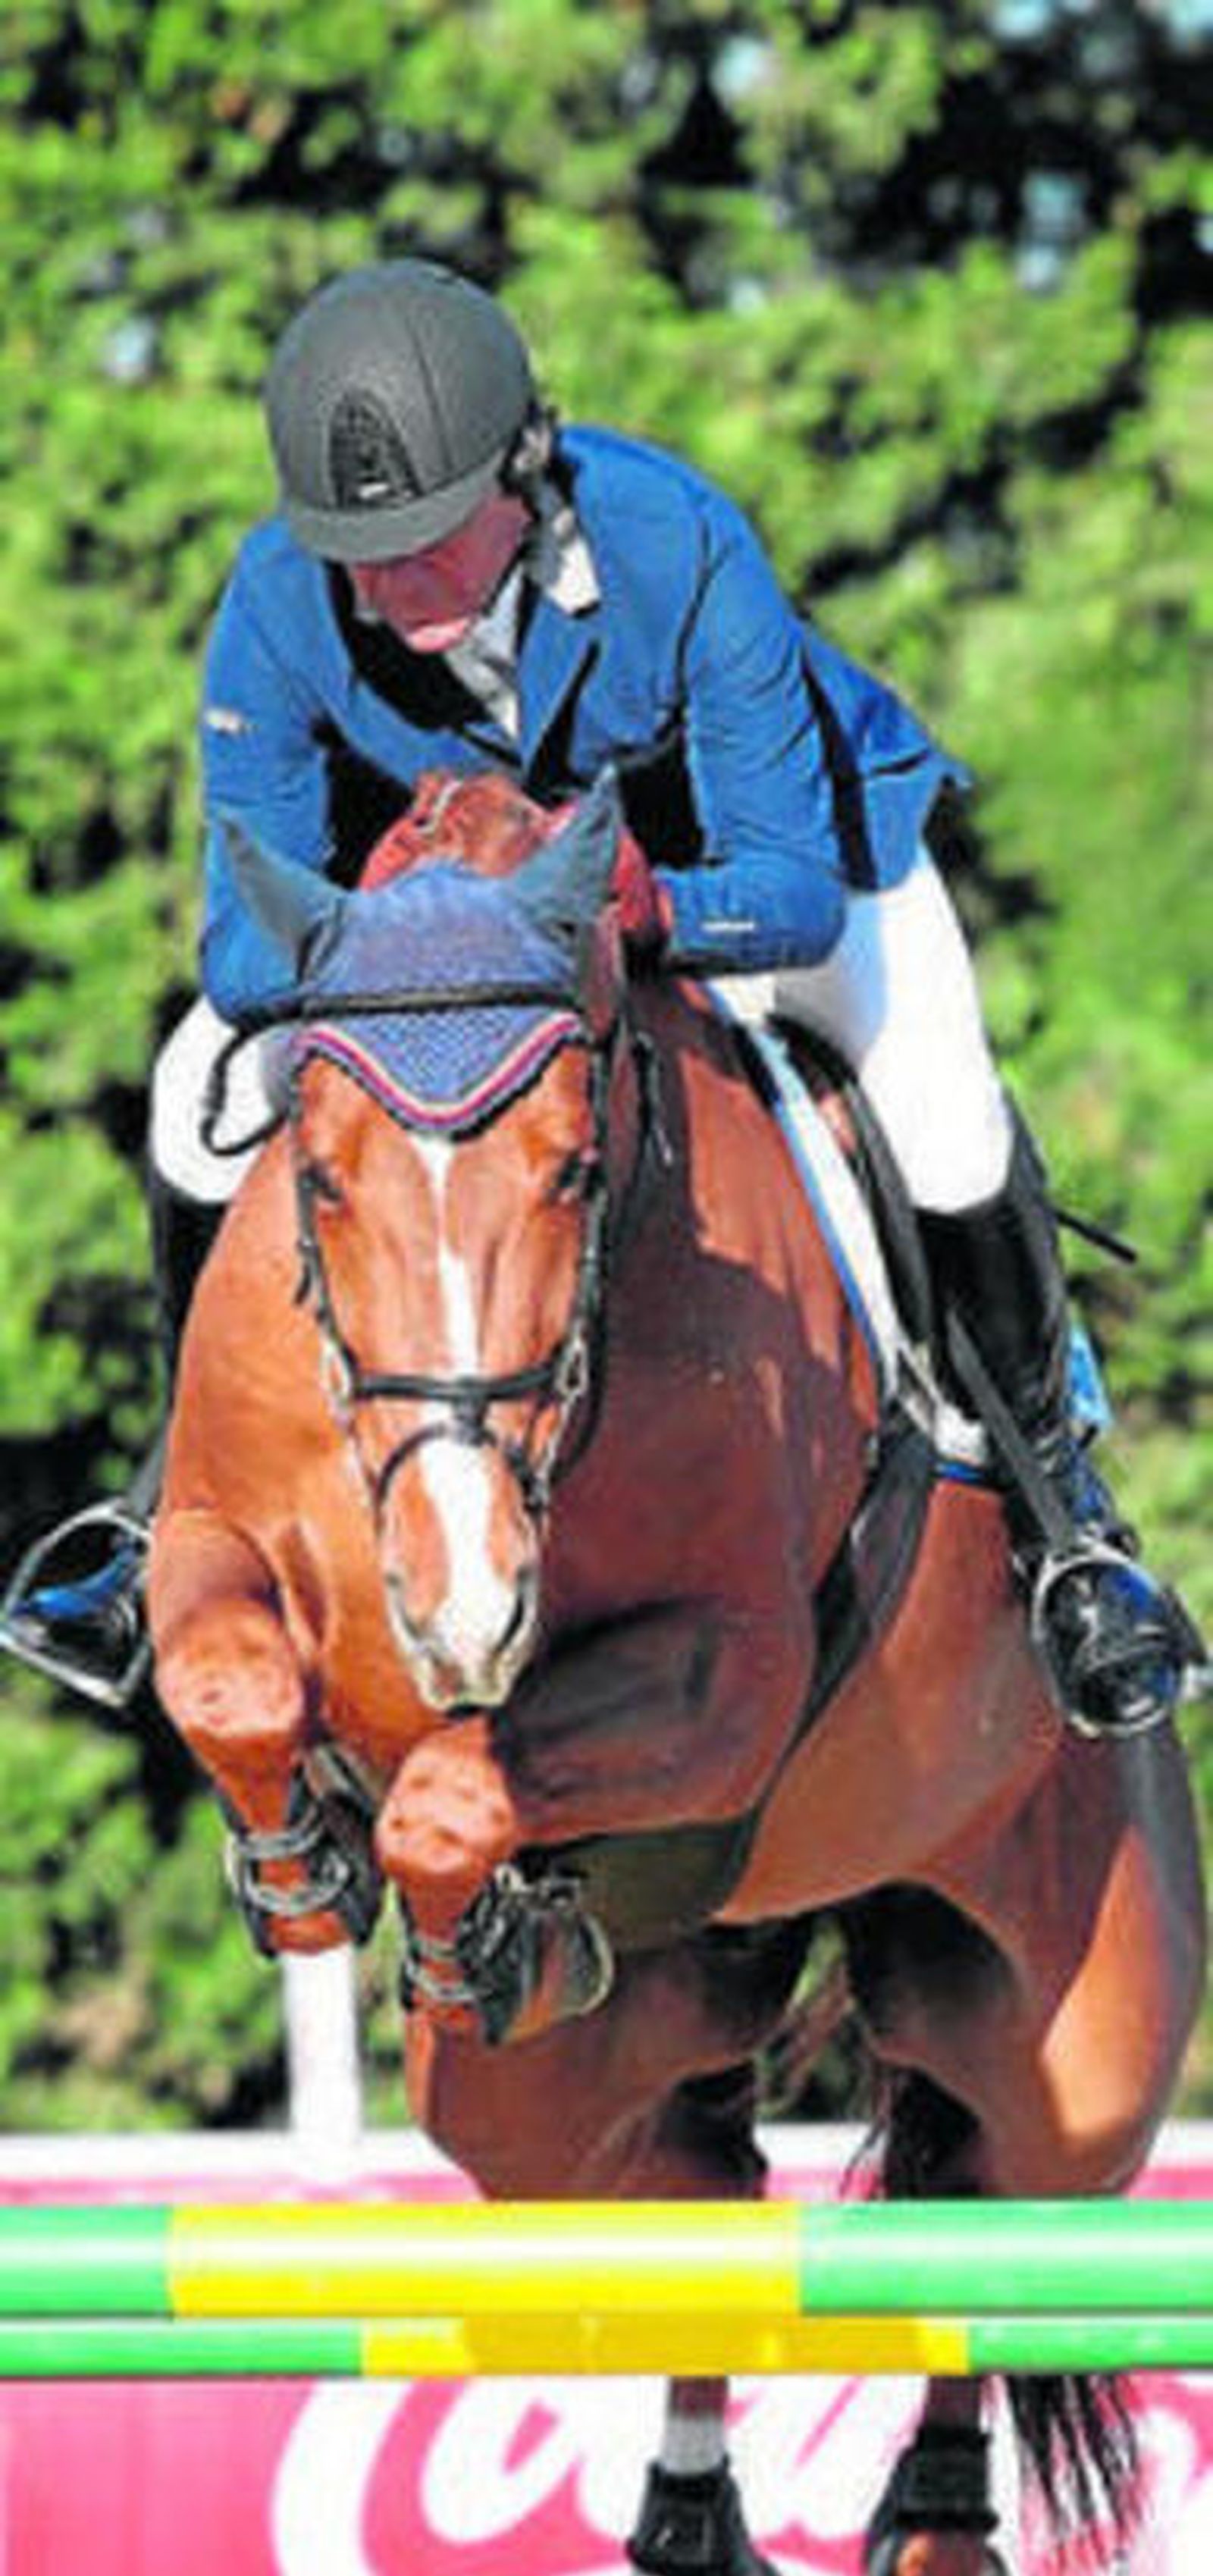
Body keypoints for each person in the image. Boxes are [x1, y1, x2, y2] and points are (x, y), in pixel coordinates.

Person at [3, 257, 1199, 1733]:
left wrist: (650, 911)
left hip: (759, 866)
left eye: (429, 539)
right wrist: (433, 940)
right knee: (200, 1103)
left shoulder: (673, 536)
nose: (389, 588)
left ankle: (1064, 1530)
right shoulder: (280, 598)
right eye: (358, 552)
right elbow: (244, 949)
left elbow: (792, 880)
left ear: (522, 469)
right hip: (454, 943)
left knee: (940, 1110)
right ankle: (169, 1500)